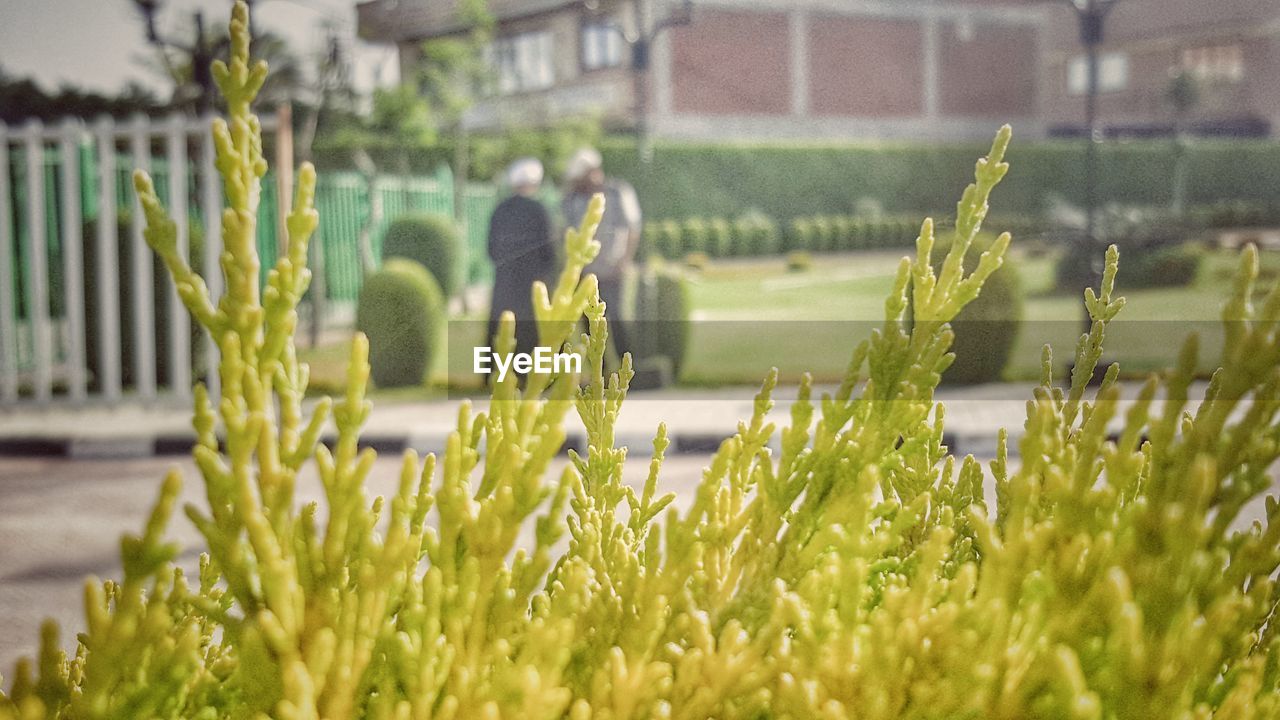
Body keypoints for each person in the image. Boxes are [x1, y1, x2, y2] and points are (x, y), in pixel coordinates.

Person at [561, 147, 641, 360]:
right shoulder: (572, 199)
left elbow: (632, 228)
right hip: (585, 272)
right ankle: (601, 369)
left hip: (612, 269)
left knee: (615, 319)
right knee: (587, 324)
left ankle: (628, 366)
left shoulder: (617, 192)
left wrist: (625, 261)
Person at [487, 157, 556, 364]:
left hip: (505, 283)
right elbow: (549, 250)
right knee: (534, 328)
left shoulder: (500, 210)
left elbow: (490, 249)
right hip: (534, 282)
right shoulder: (539, 210)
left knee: (502, 326)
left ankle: (495, 370)